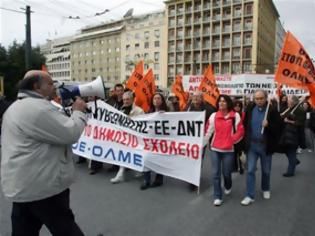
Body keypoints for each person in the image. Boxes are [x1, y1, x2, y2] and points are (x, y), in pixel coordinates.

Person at [1, 70, 87, 235]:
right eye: (49, 83)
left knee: (23, 230)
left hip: (22, 185)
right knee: (65, 229)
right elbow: (70, 133)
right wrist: (78, 112)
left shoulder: (15, 107)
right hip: (43, 186)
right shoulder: (37, 108)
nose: (54, 86)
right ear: (36, 86)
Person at [241, 90, 282, 206]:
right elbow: (245, 125)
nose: (259, 101)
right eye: (257, 98)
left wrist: (268, 126)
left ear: (266, 98)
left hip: (265, 146)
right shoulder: (250, 109)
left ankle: (266, 188)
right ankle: (249, 195)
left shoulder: (272, 111)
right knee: (250, 170)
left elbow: (279, 129)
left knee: (266, 171)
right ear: (254, 99)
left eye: (261, 98)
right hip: (252, 146)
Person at [204, 95, 244, 206]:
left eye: (224, 101)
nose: (221, 103)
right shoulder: (213, 116)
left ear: (228, 103)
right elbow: (208, 131)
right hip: (215, 149)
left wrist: (232, 140)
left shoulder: (235, 115)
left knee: (226, 173)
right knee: (215, 174)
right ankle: (217, 196)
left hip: (229, 150)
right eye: (220, 101)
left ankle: (228, 185)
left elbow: (240, 131)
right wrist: (201, 144)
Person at [110, 90, 144, 183]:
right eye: (124, 99)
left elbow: (142, 125)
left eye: (128, 99)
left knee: (135, 154)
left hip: (134, 137)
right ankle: (120, 174)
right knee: (123, 154)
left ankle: (139, 170)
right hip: (123, 137)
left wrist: (131, 121)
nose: (125, 101)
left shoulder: (139, 111)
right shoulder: (121, 109)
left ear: (132, 100)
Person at [140, 93, 168, 190]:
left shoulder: (168, 113)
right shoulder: (149, 112)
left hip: (162, 141)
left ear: (162, 100)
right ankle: (146, 180)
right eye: (154, 98)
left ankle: (159, 179)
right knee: (146, 158)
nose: (156, 100)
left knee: (160, 160)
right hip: (150, 140)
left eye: (158, 98)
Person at [280, 95, 305, 177]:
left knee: (291, 151)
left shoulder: (300, 110)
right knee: (284, 149)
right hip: (286, 134)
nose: (287, 102)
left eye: (289, 101)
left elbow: (300, 123)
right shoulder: (290, 108)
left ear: (293, 102)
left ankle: (290, 171)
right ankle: (294, 160)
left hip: (294, 135)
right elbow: (283, 117)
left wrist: (289, 121)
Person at [233, 100, 246, 174]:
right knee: (233, 153)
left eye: (239, 106)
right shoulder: (231, 114)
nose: (237, 107)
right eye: (236, 106)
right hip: (233, 136)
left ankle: (241, 167)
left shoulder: (243, 114)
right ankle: (234, 167)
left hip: (241, 136)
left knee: (240, 153)